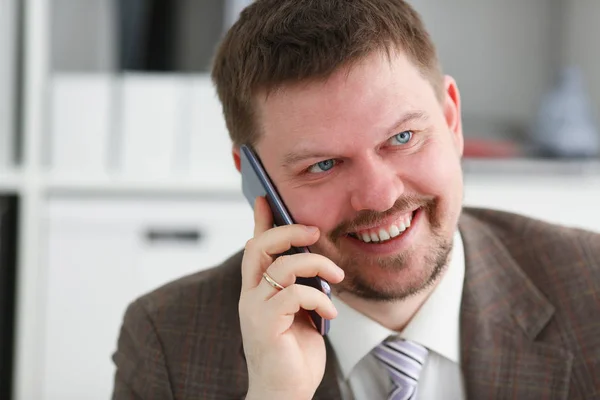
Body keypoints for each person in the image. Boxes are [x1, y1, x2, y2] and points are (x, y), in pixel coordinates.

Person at [111, 1, 600, 399]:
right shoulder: (168, 342)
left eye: (403, 137)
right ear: (257, 182)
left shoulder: (590, 289)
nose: (379, 194)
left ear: (451, 121)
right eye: (322, 165)